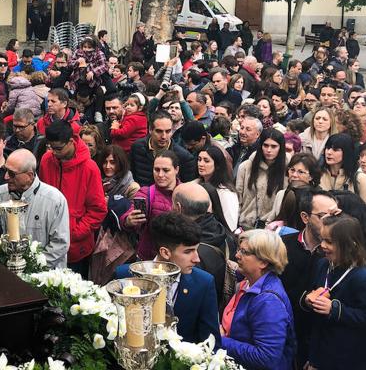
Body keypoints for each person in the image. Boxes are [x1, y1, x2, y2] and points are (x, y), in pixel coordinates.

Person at [302, 215, 366, 370]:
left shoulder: (363, 277)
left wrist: (335, 310)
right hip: (321, 354)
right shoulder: (322, 265)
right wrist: (308, 300)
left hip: (348, 360)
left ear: (350, 245)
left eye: (330, 242)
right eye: (322, 239)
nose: (323, 245)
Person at [221, 229, 296, 370]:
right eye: (239, 249)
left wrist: (221, 341)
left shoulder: (268, 301)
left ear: (263, 262)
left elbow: (267, 357)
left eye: (245, 252)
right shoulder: (247, 283)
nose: (237, 255)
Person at [281, 190, 340, 366]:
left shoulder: (339, 254)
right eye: (323, 216)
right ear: (305, 217)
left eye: (334, 215)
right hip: (285, 330)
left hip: (320, 338)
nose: (330, 221)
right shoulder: (283, 245)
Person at [39, 120, 106, 276]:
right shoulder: (46, 160)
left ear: (71, 141)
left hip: (76, 248)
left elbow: (98, 210)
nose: (54, 152)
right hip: (48, 244)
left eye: (58, 148)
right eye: (51, 147)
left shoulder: (90, 168)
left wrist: (73, 232)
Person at [147, 212, 220, 346]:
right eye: (188, 251)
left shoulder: (203, 283)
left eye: (196, 250)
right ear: (165, 252)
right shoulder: (127, 277)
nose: (197, 259)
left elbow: (210, 342)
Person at [0, 149, 69, 268]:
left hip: (45, 275)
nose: (6, 176)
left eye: (12, 174)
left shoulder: (54, 200)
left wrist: (32, 268)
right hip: (9, 271)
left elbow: (59, 244)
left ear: (29, 175)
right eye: (5, 170)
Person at [121, 150, 180, 262]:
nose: (160, 175)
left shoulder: (186, 192)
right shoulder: (146, 193)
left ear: (176, 170)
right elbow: (130, 213)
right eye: (156, 170)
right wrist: (128, 220)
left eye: (166, 170)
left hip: (178, 258)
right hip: (150, 258)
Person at [236, 128, 289, 229]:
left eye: (274, 146)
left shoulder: (288, 169)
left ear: (280, 148)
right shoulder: (246, 167)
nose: (269, 150)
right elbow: (238, 198)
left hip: (272, 228)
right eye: (265, 145)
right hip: (246, 225)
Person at [193, 143, 239, 232]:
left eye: (206, 161)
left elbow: (231, 225)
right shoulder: (196, 185)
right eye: (199, 159)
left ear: (217, 165)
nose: (201, 164)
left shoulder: (226, 192)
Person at [319, 132, 366, 203]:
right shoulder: (318, 174)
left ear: (346, 152)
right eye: (327, 148)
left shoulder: (359, 178)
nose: (329, 152)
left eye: (335, 150)